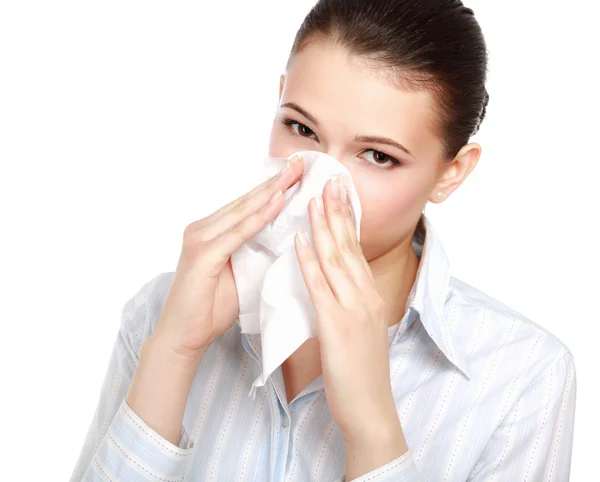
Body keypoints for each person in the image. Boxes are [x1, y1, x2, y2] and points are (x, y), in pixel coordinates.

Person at [70, 1, 576, 481]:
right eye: (301, 128)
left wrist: (372, 428)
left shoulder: (522, 376)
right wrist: (174, 353)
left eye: (378, 156)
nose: (320, 183)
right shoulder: (160, 312)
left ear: (451, 173)